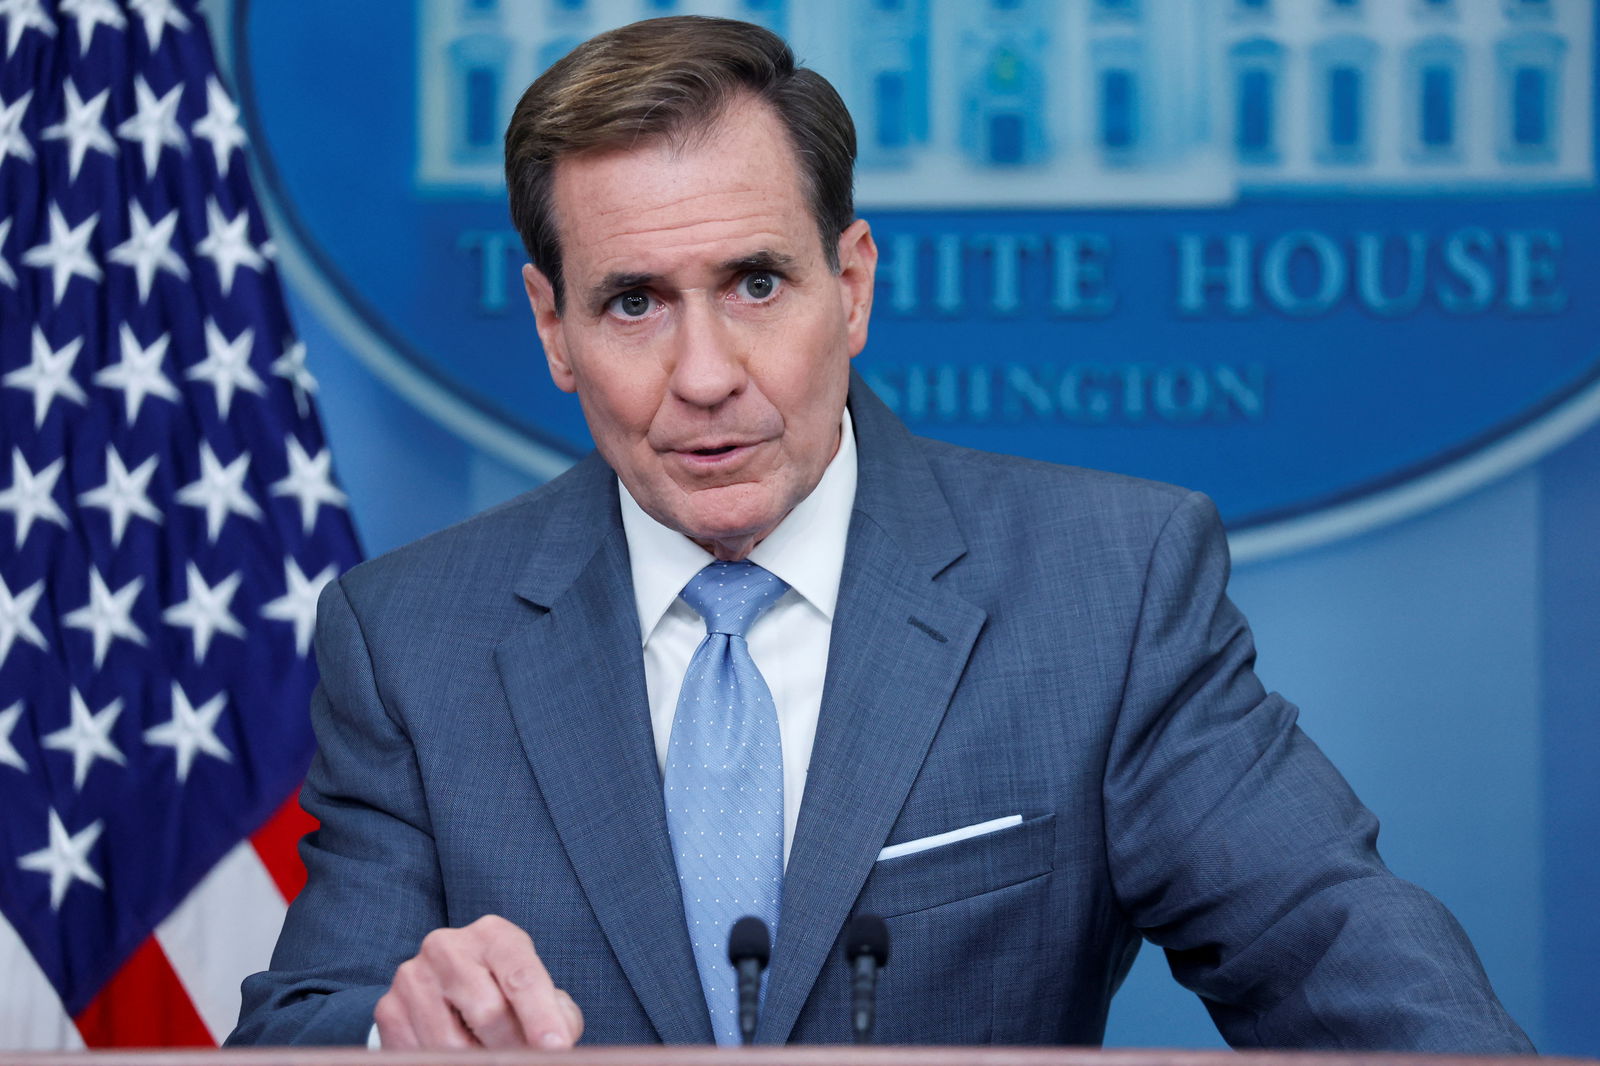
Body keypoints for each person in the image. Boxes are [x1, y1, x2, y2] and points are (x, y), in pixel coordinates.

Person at [229, 15, 1532, 1052]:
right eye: (633, 303)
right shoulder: (412, 636)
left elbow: (1321, 937)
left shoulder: (1107, 586)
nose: (704, 372)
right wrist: (395, 1037)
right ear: (551, 327)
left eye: (755, 283)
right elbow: (302, 1026)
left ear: (849, 285)